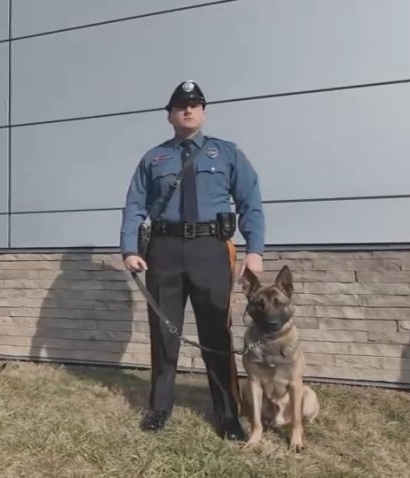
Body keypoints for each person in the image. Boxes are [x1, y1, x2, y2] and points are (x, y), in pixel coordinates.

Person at [119, 80, 265, 440]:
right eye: (181, 105)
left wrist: (255, 250)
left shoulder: (227, 153)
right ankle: (159, 407)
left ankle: (228, 414)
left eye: (196, 105)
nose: (189, 110)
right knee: (164, 333)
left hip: (211, 250)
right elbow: (135, 205)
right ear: (169, 115)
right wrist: (130, 249)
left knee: (216, 331)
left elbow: (251, 203)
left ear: (203, 112)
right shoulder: (154, 158)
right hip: (164, 251)